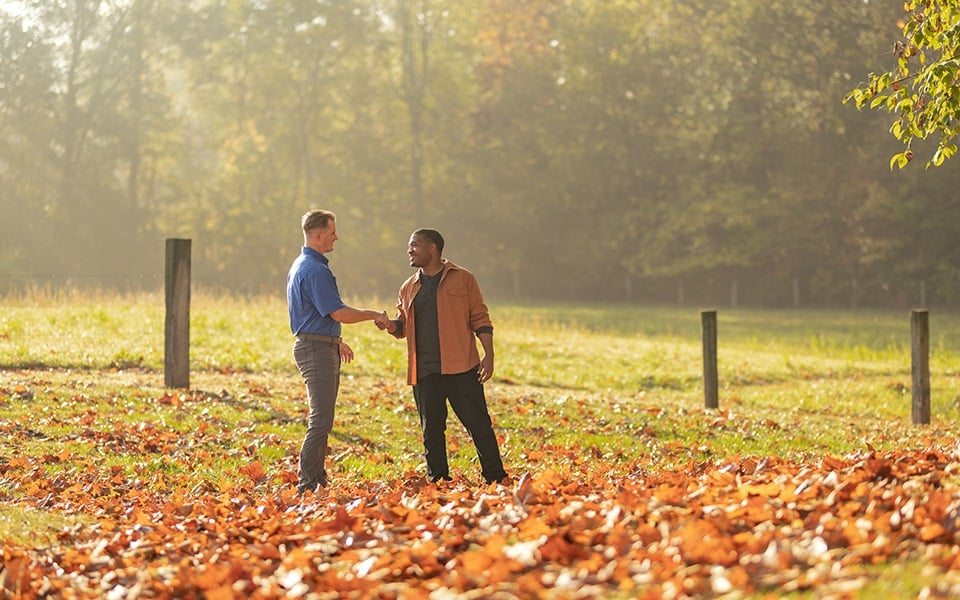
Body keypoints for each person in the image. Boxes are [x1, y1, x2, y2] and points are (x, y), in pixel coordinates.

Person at [376, 228, 508, 485]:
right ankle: (437, 481)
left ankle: (496, 478)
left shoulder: (464, 279)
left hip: (462, 368)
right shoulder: (408, 287)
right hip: (424, 371)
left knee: (479, 426)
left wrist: (488, 355)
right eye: (409, 246)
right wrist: (389, 325)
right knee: (432, 431)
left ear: (432, 248)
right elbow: (403, 326)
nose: (409, 250)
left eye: (414, 245)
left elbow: (480, 318)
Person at [287, 209, 390, 495]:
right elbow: (337, 312)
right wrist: (374, 315)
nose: (336, 237)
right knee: (320, 420)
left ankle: (317, 479)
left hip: (319, 344)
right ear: (318, 235)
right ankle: (307, 485)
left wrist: (334, 340)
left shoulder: (302, 264)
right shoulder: (315, 269)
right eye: (332, 232)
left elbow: (314, 313)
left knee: (324, 419)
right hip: (315, 349)